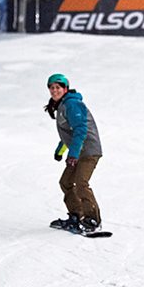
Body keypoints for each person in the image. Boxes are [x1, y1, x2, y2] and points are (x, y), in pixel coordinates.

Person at [44, 73, 103, 233]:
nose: (54, 90)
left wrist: (73, 155)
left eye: (58, 87)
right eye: (52, 87)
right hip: (78, 151)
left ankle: (93, 219)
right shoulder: (62, 106)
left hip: (88, 151)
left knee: (81, 182)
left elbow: (80, 130)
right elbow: (68, 134)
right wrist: (60, 151)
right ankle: (77, 216)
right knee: (66, 182)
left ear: (65, 89)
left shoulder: (72, 104)